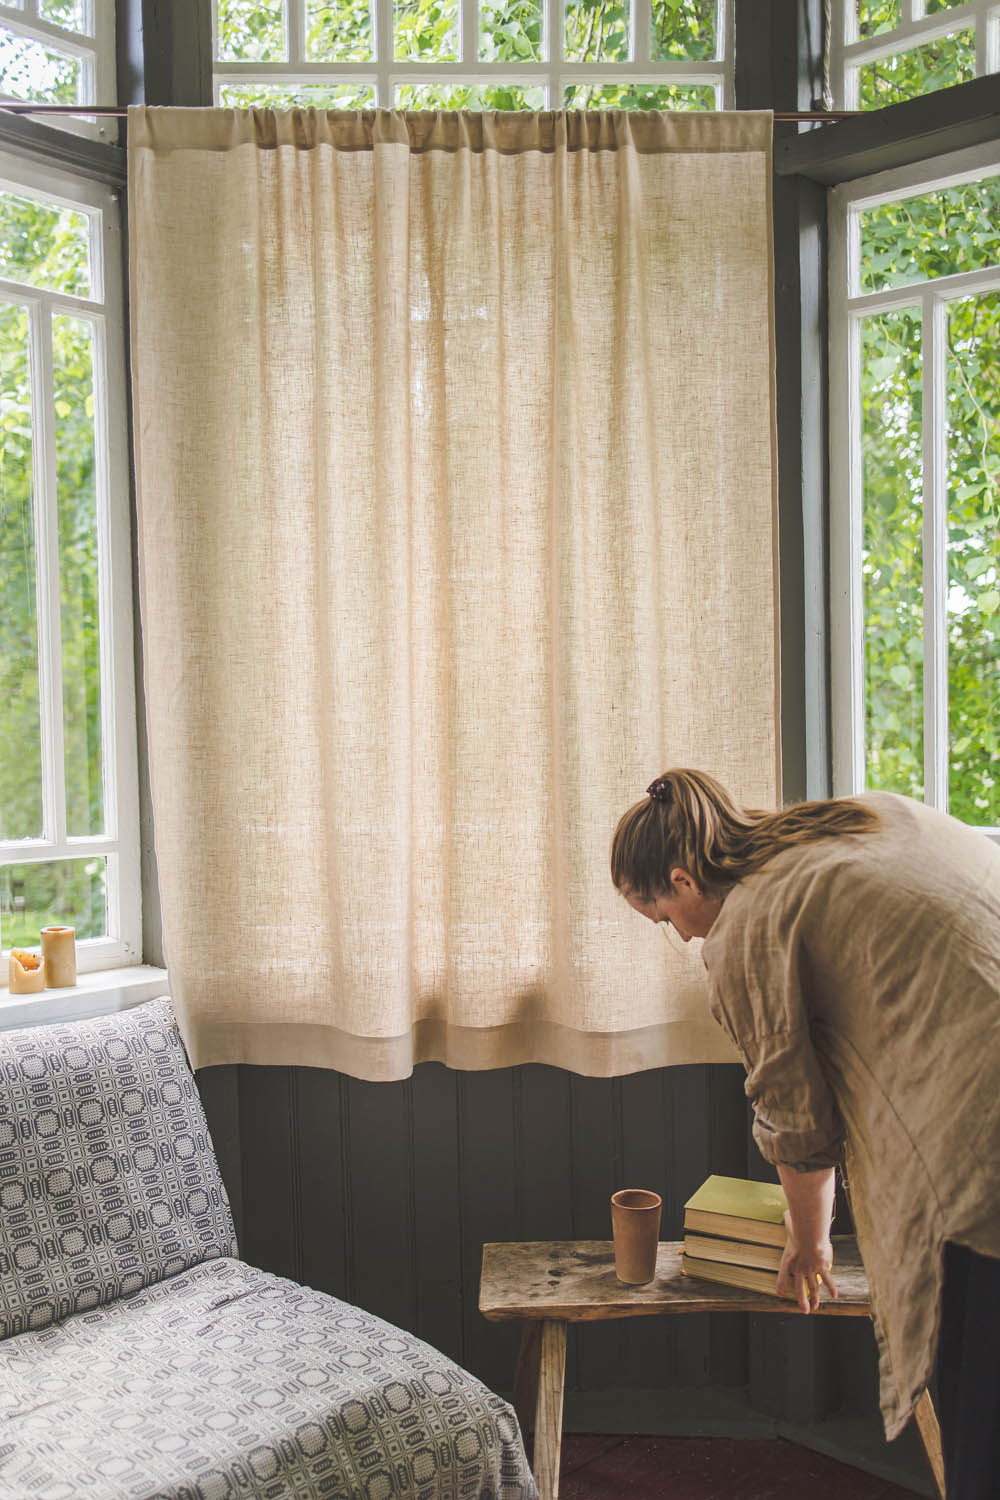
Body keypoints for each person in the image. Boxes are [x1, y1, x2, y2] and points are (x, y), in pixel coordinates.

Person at [611, 769, 1000, 1500]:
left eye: (664, 919)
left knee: (983, 1415)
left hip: (982, 1141)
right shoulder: (851, 822)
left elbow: (796, 1118)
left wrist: (811, 1239)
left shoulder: (750, 926)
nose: (681, 935)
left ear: (682, 879)